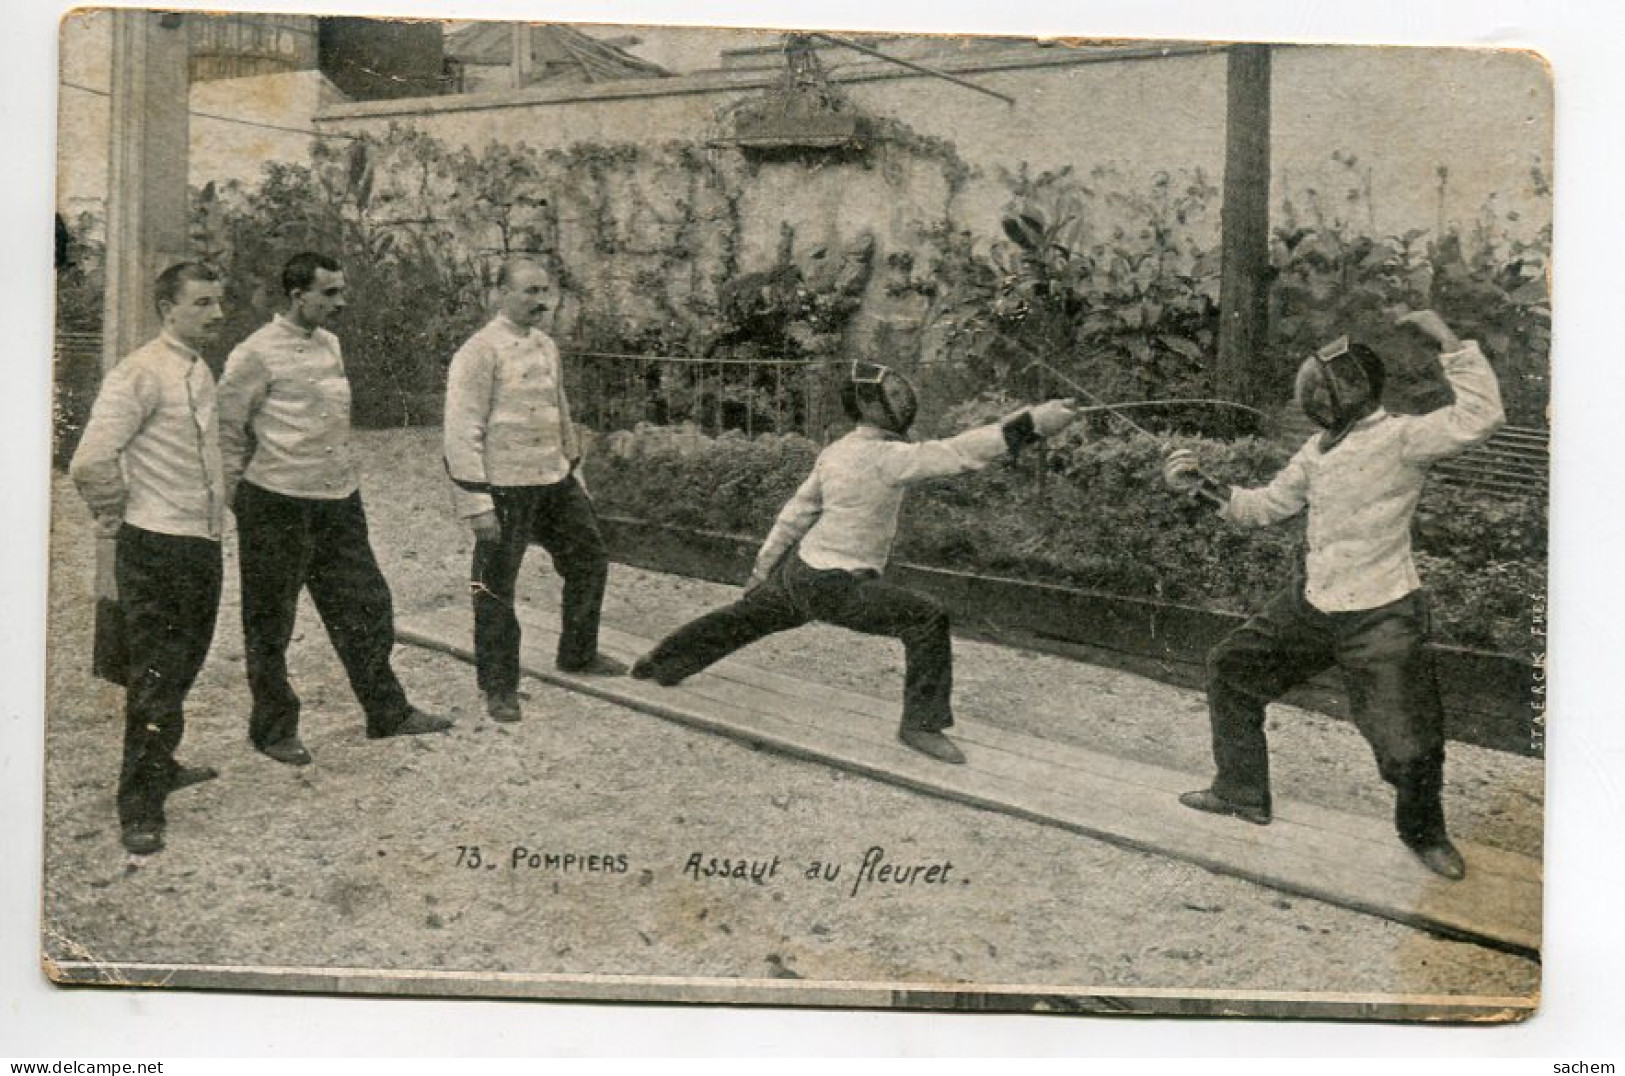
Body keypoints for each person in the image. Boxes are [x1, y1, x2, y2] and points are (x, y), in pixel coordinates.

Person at [1162, 310, 1505, 880]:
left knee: (1409, 740)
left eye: (1325, 386)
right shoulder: (1317, 450)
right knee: (1233, 670)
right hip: (1315, 603)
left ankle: (1426, 836)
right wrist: (1196, 483)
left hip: (1383, 612)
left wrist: (1447, 338)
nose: (1314, 395)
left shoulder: (1403, 438)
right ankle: (1242, 792)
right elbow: (1263, 507)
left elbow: (1483, 414)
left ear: (1352, 390)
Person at [630, 361, 1079, 764]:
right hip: (835, 583)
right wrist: (1033, 424)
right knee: (927, 618)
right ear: (878, 410)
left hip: (801, 570)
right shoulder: (887, 458)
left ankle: (661, 662)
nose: (905, 403)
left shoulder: (838, 450)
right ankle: (920, 725)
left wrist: (762, 570)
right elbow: (960, 454)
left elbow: (794, 514)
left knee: (746, 618)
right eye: (897, 399)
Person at [218, 252, 450, 766]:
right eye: (329, 293)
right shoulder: (253, 353)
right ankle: (273, 729)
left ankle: (386, 712)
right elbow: (228, 430)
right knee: (271, 621)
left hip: (338, 500)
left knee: (366, 605)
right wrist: (236, 497)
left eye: (342, 291)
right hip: (276, 502)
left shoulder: (332, 345)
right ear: (297, 296)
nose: (340, 302)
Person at [69, 262, 229, 855]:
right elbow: (90, 459)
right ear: (168, 308)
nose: (216, 314)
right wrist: (115, 514)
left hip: (200, 541)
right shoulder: (139, 372)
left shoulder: (198, 367)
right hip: (156, 546)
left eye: (219, 302)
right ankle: (139, 806)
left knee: (183, 664)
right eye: (203, 304)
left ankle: (161, 764)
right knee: (157, 675)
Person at [443, 257, 625, 725]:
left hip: (553, 480)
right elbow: (461, 431)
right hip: (505, 488)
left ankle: (578, 654)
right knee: (495, 586)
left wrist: (572, 469)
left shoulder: (546, 345)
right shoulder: (479, 352)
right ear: (500, 294)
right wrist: (476, 503)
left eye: (545, 291)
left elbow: (558, 409)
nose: (540, 301)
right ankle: (499, 686)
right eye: (528, 291)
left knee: (589, 559)